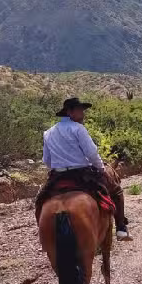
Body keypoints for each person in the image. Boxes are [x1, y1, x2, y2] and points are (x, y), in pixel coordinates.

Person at [34, 97, 131, 239]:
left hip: (57, 174)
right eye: (80, 110)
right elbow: (91, 153)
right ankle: (121, 229)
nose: (83, 114)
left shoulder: (48, 133)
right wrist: (101, 168)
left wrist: (58, 168)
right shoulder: (78, 129)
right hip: (82, 173)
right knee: (116, 190)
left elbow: (46, 160)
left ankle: (43, 234)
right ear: (70, 112)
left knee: (40, 200)